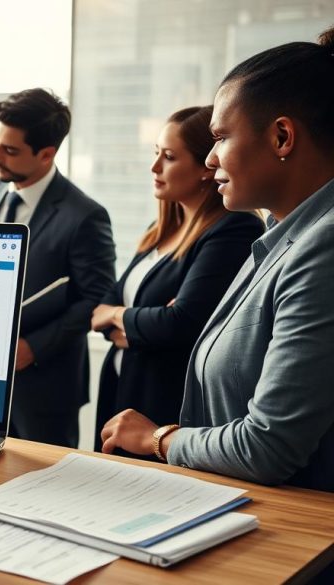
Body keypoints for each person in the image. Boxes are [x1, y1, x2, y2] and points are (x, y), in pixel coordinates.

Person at [101, 26, 334, 492]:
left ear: (282, 137)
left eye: (221, 137)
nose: (210, 160)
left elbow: (266, 446)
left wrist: (157, 438)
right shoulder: (281, 236)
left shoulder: (322, 248)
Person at [90, 106, 264, 455]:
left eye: (169, 157)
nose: (155, 167)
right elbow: (100, 308)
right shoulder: (158, 232)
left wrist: (118, 315)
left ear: (205, 168)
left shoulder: (232, 229)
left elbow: (181, 323)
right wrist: (138, 320)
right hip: (123, 388)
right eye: (156, 154)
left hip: (163, 403)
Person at [0, 88, 115, 448]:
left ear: (46, 154)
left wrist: (32, 347)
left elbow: (95, 299)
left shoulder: (85, 216)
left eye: (10, 150)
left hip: (44, 389)